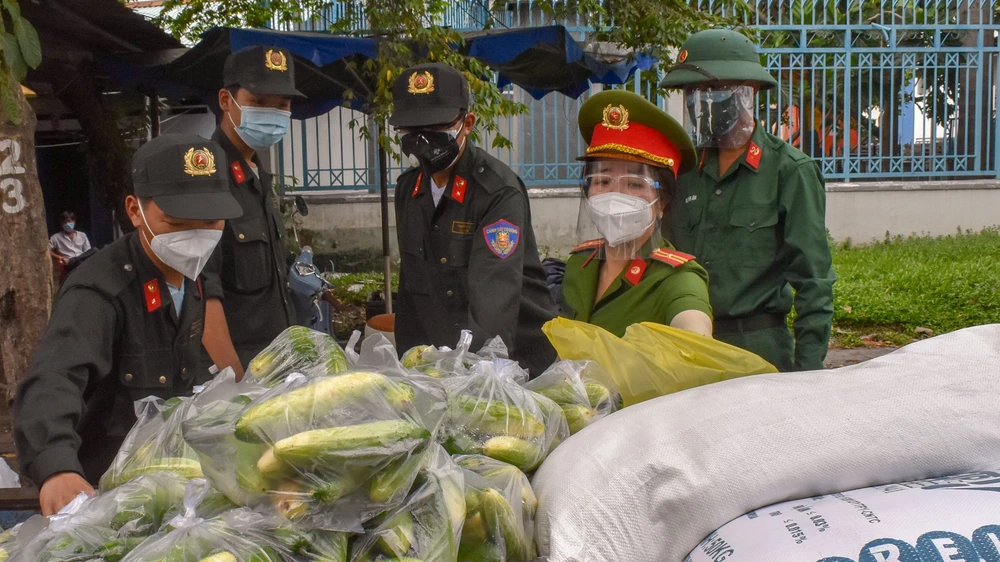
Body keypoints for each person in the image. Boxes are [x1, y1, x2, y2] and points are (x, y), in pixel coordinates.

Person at [13, 134, 243, 515]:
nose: (195, 236)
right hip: (102, 498)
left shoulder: (194, 275)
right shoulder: (100, 289)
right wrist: (56, 467)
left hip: (172, 489)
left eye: (210, 221)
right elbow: (53, 378)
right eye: (176, 222)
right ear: (135, 211)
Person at [660, 29, 836, 371]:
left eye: (712, 90)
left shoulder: (790, 171)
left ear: (748, 91)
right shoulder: (684, 171)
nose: (700, 101)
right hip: (687, 350)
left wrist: (808, 376)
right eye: (691, 93)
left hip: (759, 353)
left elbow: (814, 281)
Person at [389, 62, 558, 376]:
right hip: (445, 363)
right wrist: (409, 368)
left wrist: (475, 374)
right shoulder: (408, 191)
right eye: (412, 130)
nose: (423, 140)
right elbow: (413, 293)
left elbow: (493, 300)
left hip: (514, 363)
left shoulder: (497, 192)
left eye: (436, 127)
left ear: (467, 123)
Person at [561, 90, 713, 337]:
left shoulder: (677, 279)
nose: (615, 195)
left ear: (662, 201)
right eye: (602, 180)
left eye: (634, 184)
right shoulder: (580, 265)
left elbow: (695, 332)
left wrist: (695, 338)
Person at [201, 45, 304, 375]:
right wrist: (238, 386)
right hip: (239, 376)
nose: (272, 115)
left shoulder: (258, 175)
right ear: (225, 101)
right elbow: (204, 297)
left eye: (282, 106)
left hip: (276, 367)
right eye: (259, 103)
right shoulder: (206, 180)